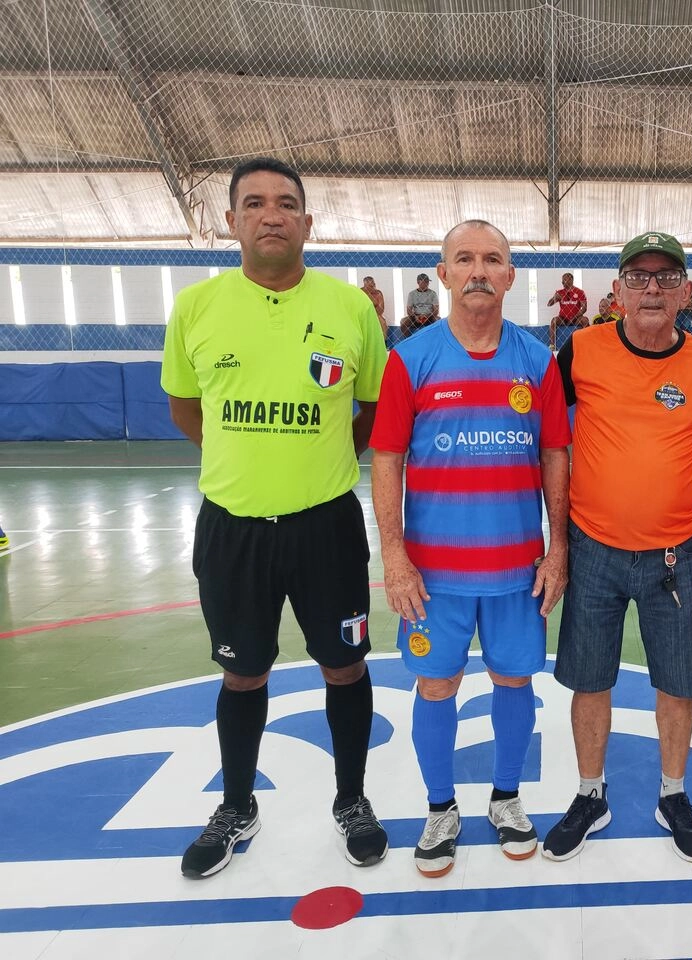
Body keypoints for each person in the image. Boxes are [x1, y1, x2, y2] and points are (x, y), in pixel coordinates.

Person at [160, 156, 389, 879]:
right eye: (254, 203)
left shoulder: (350, 309)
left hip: (326, 526)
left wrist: (323, 459)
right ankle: (236, 805)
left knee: (345, 666)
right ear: (231, 221)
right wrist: (243, 464)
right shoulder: (196, 308)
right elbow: (184, 407)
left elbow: (377, 411)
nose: (271, 214)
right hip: (232, 528)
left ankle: (350, 798)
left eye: (286, 203)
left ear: (307, 222)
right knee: (242, 675)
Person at [370, 219, 571, 878]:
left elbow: (555, 457)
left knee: (515, 679)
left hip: (517, 572)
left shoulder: (538, 363)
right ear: (445, 274)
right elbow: (387, 459)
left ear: (511, 276)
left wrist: (558, 545)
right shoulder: (411, 360)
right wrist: (394, 555)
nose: (479, 269)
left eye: (493, 259)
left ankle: (507, 800)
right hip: (434, 577)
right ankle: (440, 809)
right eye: (466, 258)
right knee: (437, 683)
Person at [544, 232, 692, 863]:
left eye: (665, 277)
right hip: (594, 550)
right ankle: (591, 794)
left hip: (676, 553)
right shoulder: (580, 351)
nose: (652, 287)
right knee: (589, 680)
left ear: (686, 292)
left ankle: (673, 794)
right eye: (638, 277)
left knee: (679, 682)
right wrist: (556, 543)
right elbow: (548, 442)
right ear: (615, 292)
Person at [547, 272, 588, 350]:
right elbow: (549, 304)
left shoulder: (580, 292)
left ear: (571, 280)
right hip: (563, 319)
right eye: (562, 280)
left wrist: (574, 317)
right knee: (554, 321)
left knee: (585, 320)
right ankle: (552, 345)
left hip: (576, 318)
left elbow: (584, 308)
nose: (562, 282)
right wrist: (554, 298)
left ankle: (585, 343)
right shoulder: (560, 292)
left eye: (564, 280)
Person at [401, 273, 440, 338]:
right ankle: (409, 340)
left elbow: (436, 310)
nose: (426, 283)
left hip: (429, 316)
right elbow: (409, 310)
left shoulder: (433, 294)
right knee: (403, 323)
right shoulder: (412, 294)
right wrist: (415, 316)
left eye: (427, 282)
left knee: (438, 321)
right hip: (416, 317)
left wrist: (427, 316)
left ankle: (435, 339)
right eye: (424, 281)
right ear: (418, 282)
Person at [361, 275, 388, 341]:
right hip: (362, 314)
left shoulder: (378, 293)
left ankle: (384, 343)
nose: (373, 287)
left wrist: (371, 313)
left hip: (375, 314)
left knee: (382, 321)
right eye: (370, 286)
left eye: (374, 285)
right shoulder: (360, 292)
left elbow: (381, 310)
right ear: (365, 285)